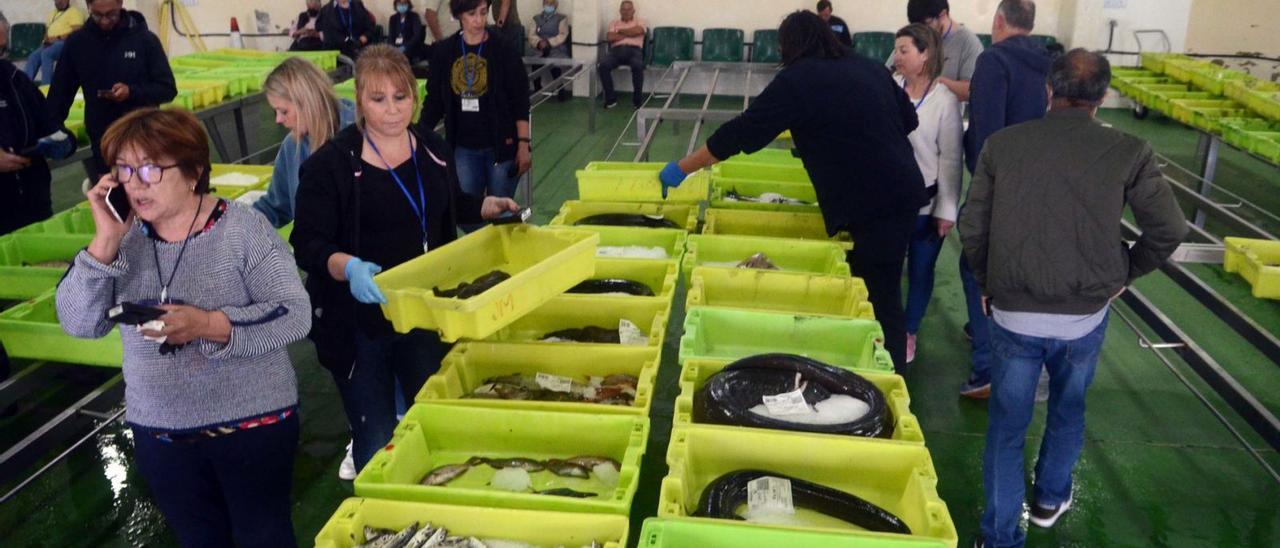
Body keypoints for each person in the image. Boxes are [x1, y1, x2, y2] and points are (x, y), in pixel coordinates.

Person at [961, 49, 1188, 548]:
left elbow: (972, 227)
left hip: (1013, 312)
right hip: (1084, 315)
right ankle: (1049, 497)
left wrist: (985, 282)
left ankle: (999, 536)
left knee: (1007, 422)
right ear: (1102, 97)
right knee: (1070, 403)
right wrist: (1125, 272)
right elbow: (1169, 229)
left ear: (1049, 90)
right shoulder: (1130, 150)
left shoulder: (1002, 145)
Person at [56, 107, 311, 547]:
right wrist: (105, 242)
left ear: (193, 170)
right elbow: (79, 323)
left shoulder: (243, 228)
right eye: (125, 169)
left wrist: (209, 325)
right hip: (161, 432)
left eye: (152, 168)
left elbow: (293, 312)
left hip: (252, 424)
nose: (135, 183)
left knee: (263, 535)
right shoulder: (123, 239)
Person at [292, 44, 521, 472]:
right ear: (359, 100)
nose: (392, 110)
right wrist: (348, 266)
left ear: (414, 98)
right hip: (361, 322)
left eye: (401, 97)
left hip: (421, 312)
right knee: (376, 434)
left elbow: (450, 202)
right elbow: (307, 242)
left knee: (428, 410)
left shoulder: (431, 147)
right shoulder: (332, 165)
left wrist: (485, 207)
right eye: (378, 99)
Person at [661, 11, 927, 372]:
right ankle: (875, 367)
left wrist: (683, 167)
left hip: (872, 200)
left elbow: (742, 132)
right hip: (902, 189)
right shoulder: (868, 66)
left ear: (790, 45)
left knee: (879, 294)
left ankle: (889, 379)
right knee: (879, 284)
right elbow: (908, 120)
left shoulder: (798, 79)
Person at [957, 0, 1052, 399]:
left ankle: (988, 368)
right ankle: (1031, 362)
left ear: (998, 22)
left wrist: (982, 186)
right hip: (1046, 183)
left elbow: (988, 133)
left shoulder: (994, 62)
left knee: (974, 265)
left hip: (1002, 185)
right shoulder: (1050, 60)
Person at [421, 0, 531, 224]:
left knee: (502, 210)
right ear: (459, 15)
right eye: (472, 14)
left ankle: (505, 253)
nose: (479, 20)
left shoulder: (503, 48)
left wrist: (523, 143)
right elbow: (434, 102)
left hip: (502, 146)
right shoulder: (445, 52)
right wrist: (417, 135)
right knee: (466, 212)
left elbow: (520, 99)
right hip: (464, 148)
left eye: (483, 13)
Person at [892, 23, 962, 365]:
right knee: (886, 267)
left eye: (904, 50)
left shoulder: (944, 101)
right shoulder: (888, 88)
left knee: (920, 271)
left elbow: (950, 158)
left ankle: (909, 331)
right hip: (888, 202)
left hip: (926, 203)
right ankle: (885, 325)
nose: (897, 57)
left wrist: (946, 209)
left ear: (926, 54)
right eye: (896, 50)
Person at [46, 0, 177, 182]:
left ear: (121, 4)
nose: (105, 21)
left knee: (148, 195)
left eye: (111, 14)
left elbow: (167, 89)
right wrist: (54, 131)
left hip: (145, 137)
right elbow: (59, 94)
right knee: (113, 199)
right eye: (97, 15)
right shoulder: (78, 44)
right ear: (88, 6)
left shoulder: (145, 40)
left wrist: (132, 92)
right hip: (104, 140)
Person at [253, 57, 357, 229]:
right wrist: (234, 223)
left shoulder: (359, 135)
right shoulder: (292, 146)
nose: (278, 119)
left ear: (307, 102)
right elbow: (276, 206)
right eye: (276, 112)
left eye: (283, 111)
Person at [1, 10, 75, 236]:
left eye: (1, 49)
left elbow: (50, 124)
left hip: (33, 202)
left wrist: (63, 143)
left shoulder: (16, 80)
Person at [887, 0, 983, 102]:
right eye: (916, 26)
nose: (921, 31)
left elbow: (971, 91)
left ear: (943, 15)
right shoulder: (913, 37)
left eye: (926, 23)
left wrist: (935, 82)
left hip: (942, 111)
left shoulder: (968, 42)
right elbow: (886, 73)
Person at [597, 1, 646, 110]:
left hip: (634, 51)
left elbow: (638, 31)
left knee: (638, 66)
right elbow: (610, 37)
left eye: (629, 9)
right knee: (603, 65)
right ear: (620, 11)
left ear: (633, 11)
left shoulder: (640, 21)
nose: (626, 12)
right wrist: (630, 33)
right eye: (623, 9)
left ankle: (637, 102)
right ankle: (611, 100)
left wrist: (619, 32)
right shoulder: (613, 23)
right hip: (616, 51)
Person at [23, 0, 85, 86]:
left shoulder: (74, 12)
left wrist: (57, 38)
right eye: (57, 0)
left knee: (46, 54)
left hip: (66, 43)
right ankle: (24, 87)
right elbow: (48, 30)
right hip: (50, 43)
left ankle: (46, 87)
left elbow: (77, 32)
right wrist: (45, 40)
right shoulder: (52, 13)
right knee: (33, 57)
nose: (60, 2)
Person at [528, 0, 570, 102]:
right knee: (536, 61)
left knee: (554, 63)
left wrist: (548, 42)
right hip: (539, 48)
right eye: (546, 3)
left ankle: (560, 89)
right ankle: (537, 89)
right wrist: (539, 43)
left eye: (551, 3)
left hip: (556, 48)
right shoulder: (536, 18)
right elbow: (531, 35)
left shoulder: (562, 18)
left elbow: (562, 35)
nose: (548, 5)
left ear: (556, 5)